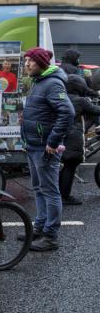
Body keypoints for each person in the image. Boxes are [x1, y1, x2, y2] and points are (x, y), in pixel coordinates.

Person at [21, 47, 74, 252]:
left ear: (41, 63)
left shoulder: (51, 83)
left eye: (31, 61)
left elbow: (67, 113)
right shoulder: (39, 81)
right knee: (38, 188)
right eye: (26, 60)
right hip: (34, 145)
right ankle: (40, 227)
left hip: (45, 149)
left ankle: (50, 236)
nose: (27, 64)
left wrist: (52, 142)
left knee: (50, 192)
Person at [59, 74, 100, 205]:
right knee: (71, 165)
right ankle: (65, 196)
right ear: (79, 86)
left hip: (60, 135)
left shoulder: (62, 97)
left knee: (66, 165)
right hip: (73, 136)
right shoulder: (80, 100)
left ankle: (60, 194)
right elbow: (95, 110)